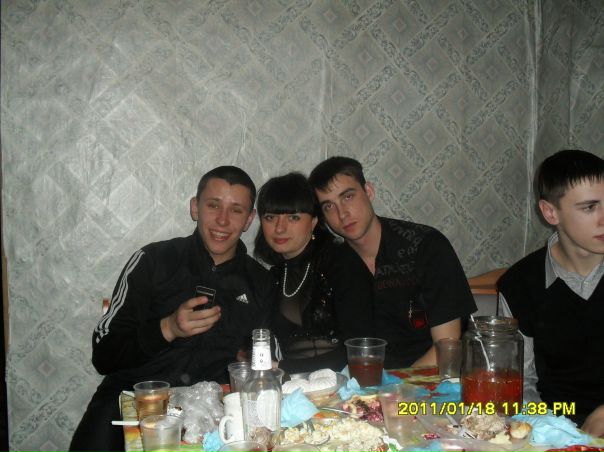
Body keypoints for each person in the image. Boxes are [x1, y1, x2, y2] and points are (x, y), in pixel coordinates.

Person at [69, 166, 276, 452]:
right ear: (195, 207)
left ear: (249, 219)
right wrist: (167, 328)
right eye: (213, 205)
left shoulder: (261, 282)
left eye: (236, 210)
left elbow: (269, 362)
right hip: (133, 400)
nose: (223, 220)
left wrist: (253, 362)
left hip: (213, 413)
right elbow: (103, 355)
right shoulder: (153, 260)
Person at [308, 157, 476, 369]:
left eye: (348, 196)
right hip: (367, 381)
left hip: (437, 380)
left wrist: (396, 385)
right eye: (329, 206)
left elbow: (447, 349)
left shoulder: (426, 246)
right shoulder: (333, 266)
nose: (342, 214)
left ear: (369, 191)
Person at [497, 149, 604, 436]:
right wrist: (553, 431)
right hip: (553, 427)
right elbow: (520, 383)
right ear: (550, 212)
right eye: (589, 207)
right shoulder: (519, 284)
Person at [253, 172, 375, 374]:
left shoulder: (340, 262)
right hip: (293, 386)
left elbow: (359, 347)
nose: (280, 228)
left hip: (347, 382)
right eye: (270, 217)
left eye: (293, 217)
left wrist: (284, 368)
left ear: (313, 222)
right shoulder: (274, 277)